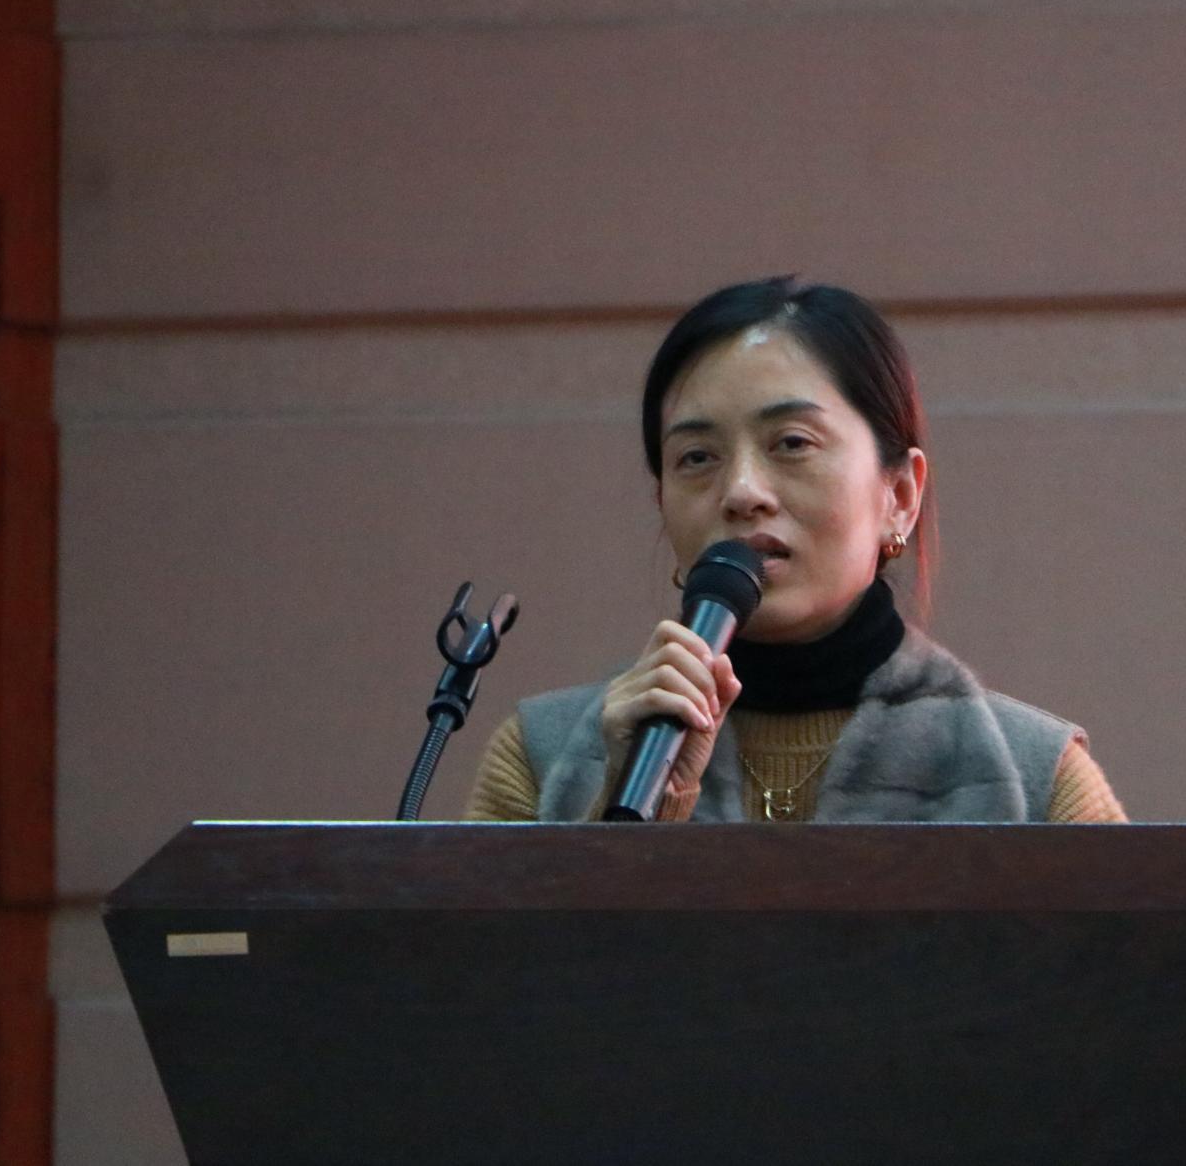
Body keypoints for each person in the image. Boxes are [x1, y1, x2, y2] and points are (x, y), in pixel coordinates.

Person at [465, 276, 1126, 824]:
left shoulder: (1034, 783)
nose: (742, 493)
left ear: (899, 495)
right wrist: (630, 815)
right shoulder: (542, 762)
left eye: (792, 444)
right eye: (697, 457)